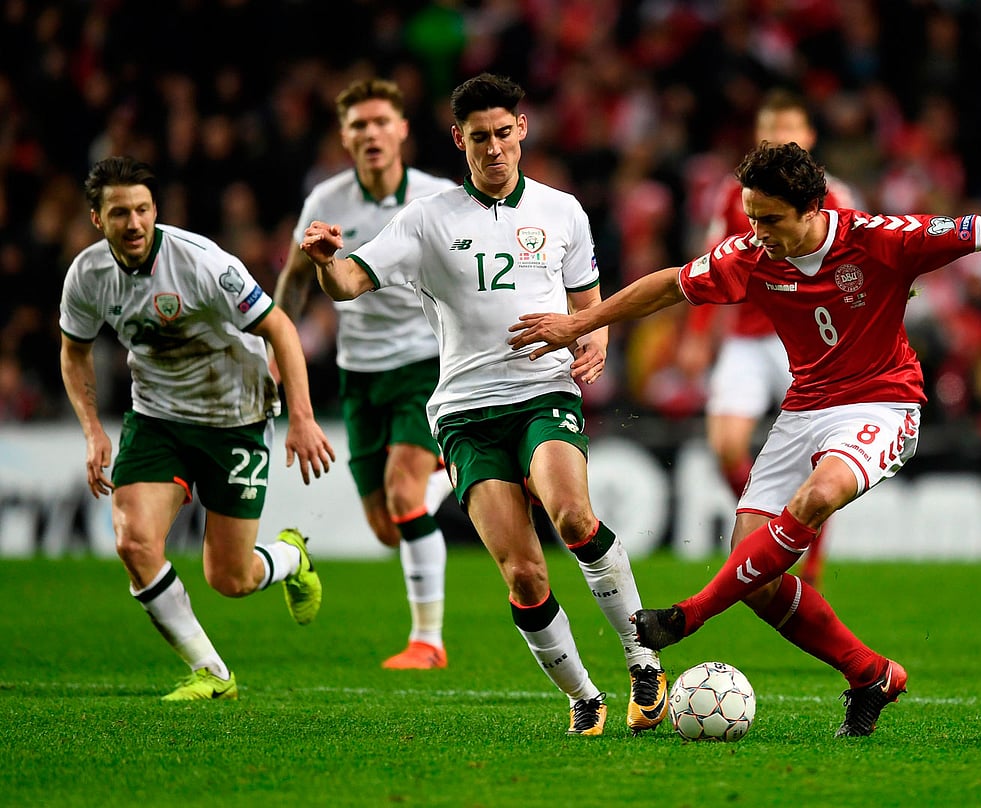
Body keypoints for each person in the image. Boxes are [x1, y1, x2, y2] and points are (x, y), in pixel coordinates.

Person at [509, 143, 981, 737]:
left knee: (817, 496)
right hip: (805, 406)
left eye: (771, 219)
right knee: (754, 574)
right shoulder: (751, 255)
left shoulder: (881, 241)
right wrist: (582, 320)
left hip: (883, 403)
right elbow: (671, 283)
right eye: (751, 217)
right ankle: (872, 674)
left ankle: (689, 615)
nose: (757, 232)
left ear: (815, 210)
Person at [300, 73, 668, 736]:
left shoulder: (563, 212)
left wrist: (597, 340)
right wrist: (328, 260)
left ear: (522, 130)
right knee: (524, 575)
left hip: (542, 392)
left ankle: (643, 659)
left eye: (503, 133)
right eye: (479, 138)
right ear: (457, 140)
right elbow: (351, 282)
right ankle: (584, 694)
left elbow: (591, 304)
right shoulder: (424, 220)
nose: (494, 148)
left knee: (574, 517)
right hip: (465, 413)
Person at [59, 156, 335, 701]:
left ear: (155, 210)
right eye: (120, 213)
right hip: (157, 417)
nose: (134, 223)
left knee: (230, 579)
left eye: (142, 209)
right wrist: (93, 430)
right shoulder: (87, 277)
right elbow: (74, 353)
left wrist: (301, 416)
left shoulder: (202, 263)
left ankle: (289, 558)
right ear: (98, 219)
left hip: (235, 417)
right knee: (134, 542)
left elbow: (279, 325)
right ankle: (212, 673)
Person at [276, 78, 457, 671]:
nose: (371, 133)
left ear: (402, 129)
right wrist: (276, 350)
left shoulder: (438, 196)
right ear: (345, 136)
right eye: (359, 125)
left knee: (405, 496)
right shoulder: (326, 201)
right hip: (360, 373)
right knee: (389, 527)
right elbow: (297, 280)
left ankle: (427, 642)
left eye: (382, 121)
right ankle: (465, 469)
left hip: (425, 361)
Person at [677, 88, 861, 589]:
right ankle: (785, 526)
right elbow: (709, 260)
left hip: (810, 340)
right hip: (748, 338)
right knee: (725, 445)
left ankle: (812, 559)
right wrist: (697, 333)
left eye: (789, 130)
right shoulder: (736, 195)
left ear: (809, 137)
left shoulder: (836, 197)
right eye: (771, 131)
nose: (780, 139)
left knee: (820, 463)